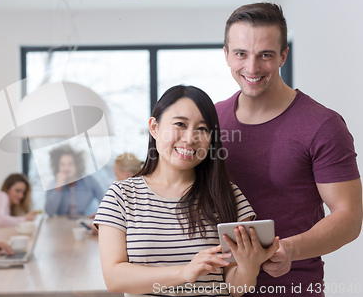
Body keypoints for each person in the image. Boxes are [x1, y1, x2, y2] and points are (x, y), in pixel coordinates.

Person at [216, 2, 362, 295]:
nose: (252, 68)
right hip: (218, 288)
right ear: (227, 55)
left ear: (283, 55)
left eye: (265, 55)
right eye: (241, 54)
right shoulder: (212, 120)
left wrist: (290, 249)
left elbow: (349, 217)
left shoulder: (322, 124)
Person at [93, 85, 280, 297]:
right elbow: (114, 278)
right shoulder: (121, 195)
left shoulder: (227, 194)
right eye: (180, 124)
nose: (190, 138)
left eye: (202, 129)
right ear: (154, 127)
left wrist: (248, 267)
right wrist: (185, 272)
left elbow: (236, 289)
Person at [45, 145, 105, 216]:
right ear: (57, 167)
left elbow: (105, 202)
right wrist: (58, 188)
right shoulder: (54, 183)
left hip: (84, 222)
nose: (66, 168)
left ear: (77, 165)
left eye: (70, 164)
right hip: (60, 224)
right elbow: (49, 212)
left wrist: (99, 215)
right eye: (62, 165)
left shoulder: (89, 181)